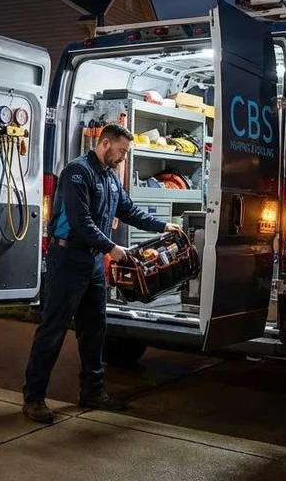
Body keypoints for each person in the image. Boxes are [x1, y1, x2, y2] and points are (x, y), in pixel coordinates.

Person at [22, 123, 181, 424]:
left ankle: (92, 392)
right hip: (68, 257)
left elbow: (129, 211)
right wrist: (111, 247)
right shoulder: (77, 173)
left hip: (93, 262)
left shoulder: (109, 178)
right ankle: (33, 398)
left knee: (95, 327)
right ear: (105, 143)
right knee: (53, 328)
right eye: (121, 151)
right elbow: (81, 221)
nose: (123, 158)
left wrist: (163, 227)